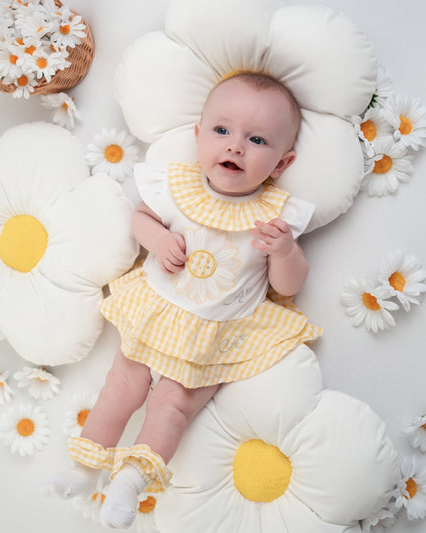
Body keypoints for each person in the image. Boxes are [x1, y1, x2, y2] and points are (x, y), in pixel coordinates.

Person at [47, 72, 322, 529]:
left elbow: (289, 288)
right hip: (156, 311)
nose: (235, 146)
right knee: (122, 385)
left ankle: (131, 482)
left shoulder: (277, 216)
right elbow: (140, 217)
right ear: (198, 136)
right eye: (222, 130)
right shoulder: (177, 187)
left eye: (256, 139)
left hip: (215, 334)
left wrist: (285, 251)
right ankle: (84, 468)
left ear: (281, 162)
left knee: (172, 407)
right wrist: (157, 240)